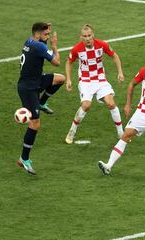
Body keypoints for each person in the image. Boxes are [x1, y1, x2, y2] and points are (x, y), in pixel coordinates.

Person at [16, 22, 65, 175]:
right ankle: (24, 158)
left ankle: (42, 102)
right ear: (38, 35)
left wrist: (45, 31)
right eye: (45, 35)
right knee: (35, 124)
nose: (48, 37)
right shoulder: (40, 47)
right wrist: (55, 46)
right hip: (29, 89)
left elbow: (41, 43)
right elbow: (57, 62)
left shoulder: (30, 41)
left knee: (60, 79)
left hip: (35, 81)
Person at [65, 24, 124, 144]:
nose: (87, 38)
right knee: (86, 105)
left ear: (93, 35)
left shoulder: (102, 45)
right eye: (85, 36)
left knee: (111, 103)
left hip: (100, 79)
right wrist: (69, 79)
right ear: (81, 37)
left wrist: (120, 72)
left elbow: (115, 56)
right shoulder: (77, 49)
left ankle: (121, 133)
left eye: (89, 35)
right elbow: (69, 63)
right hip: (85, 80)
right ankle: (72, 131)